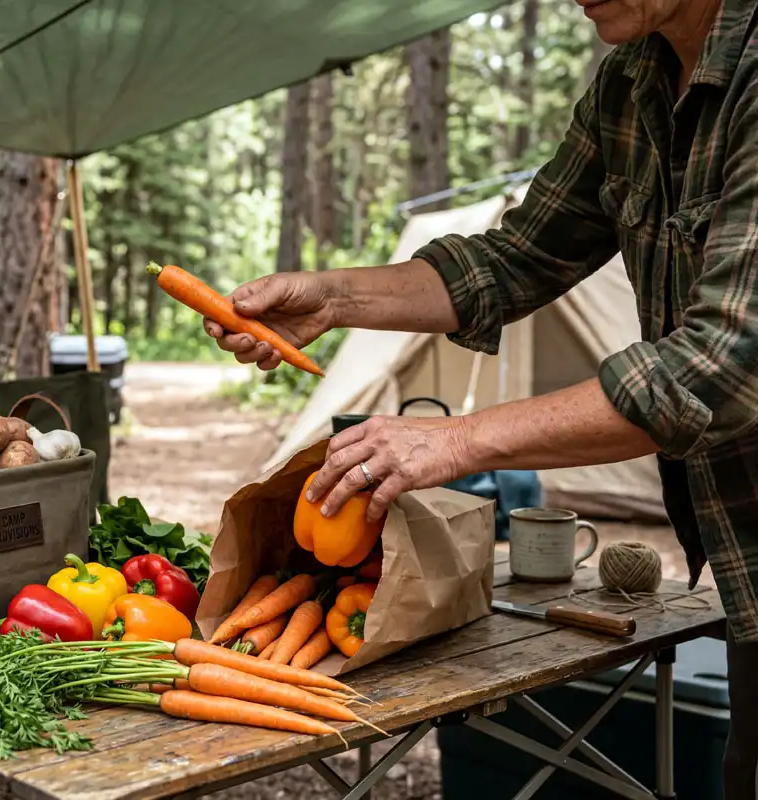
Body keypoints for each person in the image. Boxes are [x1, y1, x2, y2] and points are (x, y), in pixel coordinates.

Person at [207, 0, 758, 795]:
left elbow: (721, 366)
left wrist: (454, 441)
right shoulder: (631, 81)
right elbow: (512, 258)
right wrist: (333, 298)